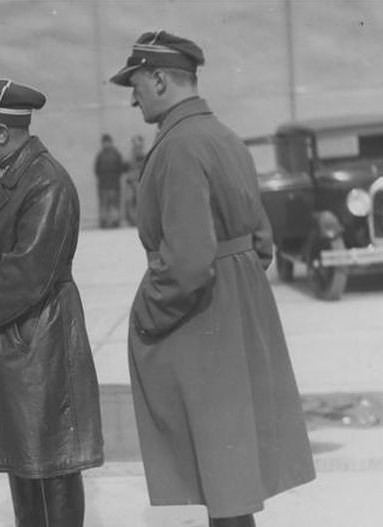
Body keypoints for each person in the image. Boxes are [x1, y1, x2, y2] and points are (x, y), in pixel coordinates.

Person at [109, 31, 315, 527]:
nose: (133, 98)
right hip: (237, 311)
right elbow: (261, 242)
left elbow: (188, 261)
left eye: (136, 84)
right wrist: (235, 284)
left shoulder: (179, 146)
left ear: (160, 79)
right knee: (233, 476)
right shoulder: (224, 136)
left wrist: (146, 315)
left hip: (201, 320)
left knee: (221, 472)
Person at [0, 78, 103, 527]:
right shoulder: (11, 176)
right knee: (23, 454)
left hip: (41, 338)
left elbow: (27, 270)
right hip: (17, 336)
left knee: (52, 459)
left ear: (0, 131)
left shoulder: (46, 182)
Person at [93, 133, 126, 228]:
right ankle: (104, 222)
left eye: (107, 142)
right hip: (104, 183)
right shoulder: (101, 155)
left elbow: (120, 168)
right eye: (104, 142)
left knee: (113, 203)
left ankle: (114, 221)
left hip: (113, 183)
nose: (106, 144)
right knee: (105, 203)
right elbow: (97, 170)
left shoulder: (115, 154)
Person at [122, 134, 145, 226]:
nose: (137, 149)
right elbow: (125, 169)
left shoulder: (144, 158)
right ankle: (132, 220)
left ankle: (139, 220)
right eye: (135, 146)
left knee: (139, 202)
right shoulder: (130, 158)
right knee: (130, 201)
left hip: (140, 182)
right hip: (131, 183)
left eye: (138, 146)